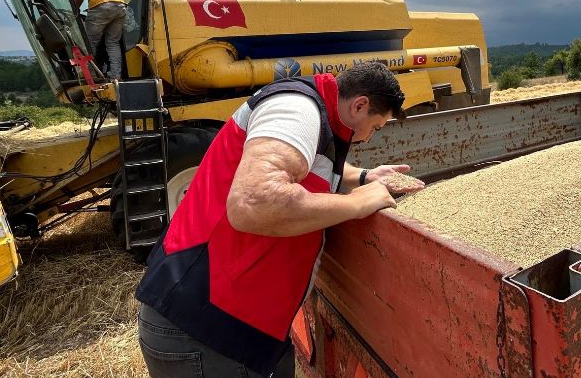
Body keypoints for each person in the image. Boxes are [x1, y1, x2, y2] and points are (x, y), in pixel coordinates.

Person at [136, 62, 424, 377]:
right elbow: (254, 202)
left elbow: (308, 167)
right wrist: (356, 203)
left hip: (234, 326)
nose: (368, 138)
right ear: (360, 105)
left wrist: (365, 176)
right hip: (206, 330)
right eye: (375, 127)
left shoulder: (317, 116)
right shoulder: (297, 110)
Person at [64, 0, 127, 80]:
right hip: (120, 5)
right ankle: (116, 78)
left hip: (101, 5)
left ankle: (90, 77)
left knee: (89, 43)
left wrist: (75, 9)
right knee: (113, 43)